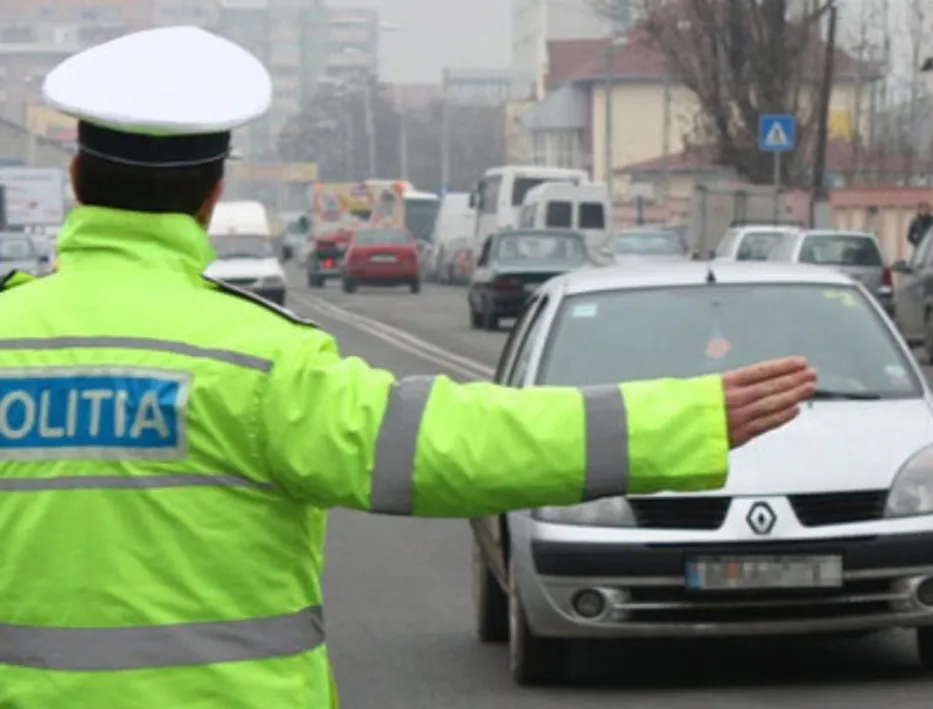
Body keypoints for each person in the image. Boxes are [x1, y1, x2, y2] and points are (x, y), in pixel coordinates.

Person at [0, 27, 816, 709]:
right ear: (213, 195)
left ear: (77, 180)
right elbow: (453, 445)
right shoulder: (257, 359)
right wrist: (684, 419)